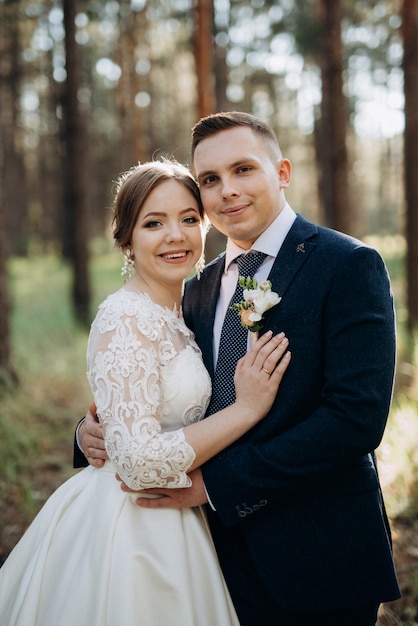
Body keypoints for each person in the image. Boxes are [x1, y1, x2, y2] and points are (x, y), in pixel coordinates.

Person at [78, 112, 402, 625]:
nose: (227, 190)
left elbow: (355, 418)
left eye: (243, 169)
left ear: (282, 172)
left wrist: (216, 485)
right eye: (210, 179)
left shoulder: (347, 265)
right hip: (212, 559)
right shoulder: (197, 286)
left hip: (319, 555)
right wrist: (92, 433)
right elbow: (161, 391)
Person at [0, 158, 291, 626]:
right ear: (126, 240)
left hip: (187, 518)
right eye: (154, 223)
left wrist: (95, 428)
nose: (175, 235)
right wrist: (247, 409)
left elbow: (144, 407)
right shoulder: (126, 317)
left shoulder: (190, 306)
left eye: (188, 219)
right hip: (130, 526)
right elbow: (135, 461)